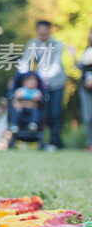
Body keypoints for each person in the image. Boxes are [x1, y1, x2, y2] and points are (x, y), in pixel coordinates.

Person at [18, 20, 66, 150]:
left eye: (45, 33)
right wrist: (22, 77)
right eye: (40, 33)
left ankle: (55, 142)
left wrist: (47, 76)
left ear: (49, 31)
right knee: (42, 112)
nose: (42, 35)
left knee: (55, 113)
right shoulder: (33, 44)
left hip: (56, 82)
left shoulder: (57, 44)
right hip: (41, 83)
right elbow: (25, 61)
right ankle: (41, 141)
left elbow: (56, 64)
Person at [68, 26, 92, 151]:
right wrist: (73, 56)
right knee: (88, 116)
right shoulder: (87, 50)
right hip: (85, 88)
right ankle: (90, 143)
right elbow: (82, 68)